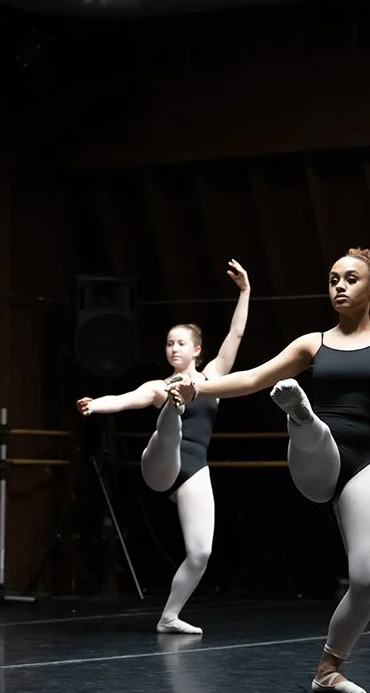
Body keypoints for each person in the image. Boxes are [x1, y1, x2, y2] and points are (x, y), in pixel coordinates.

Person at [169, 171, 370, 693]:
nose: (338, 285)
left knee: (368, 579)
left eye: (349, 279)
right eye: (333, 278)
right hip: (316, 457)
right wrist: (199, 388)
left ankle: (328, 668)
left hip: (368, 458)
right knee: (308, 420)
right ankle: (301, 414)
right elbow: (251, 377)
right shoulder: (312, 343)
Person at [76, 260, 250, 635]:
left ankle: (169, 616)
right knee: (168, 423)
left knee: (201, 552)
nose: (173, 348)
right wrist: (96, 404)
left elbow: (235, 335)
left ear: (197, 349)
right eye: (169, 343)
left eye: (181, 343)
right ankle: (174, 408)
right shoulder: (158, 385)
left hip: (194, 470)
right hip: (160, 463)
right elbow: (124, 399)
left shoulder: (214, 377)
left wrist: (245, 291)